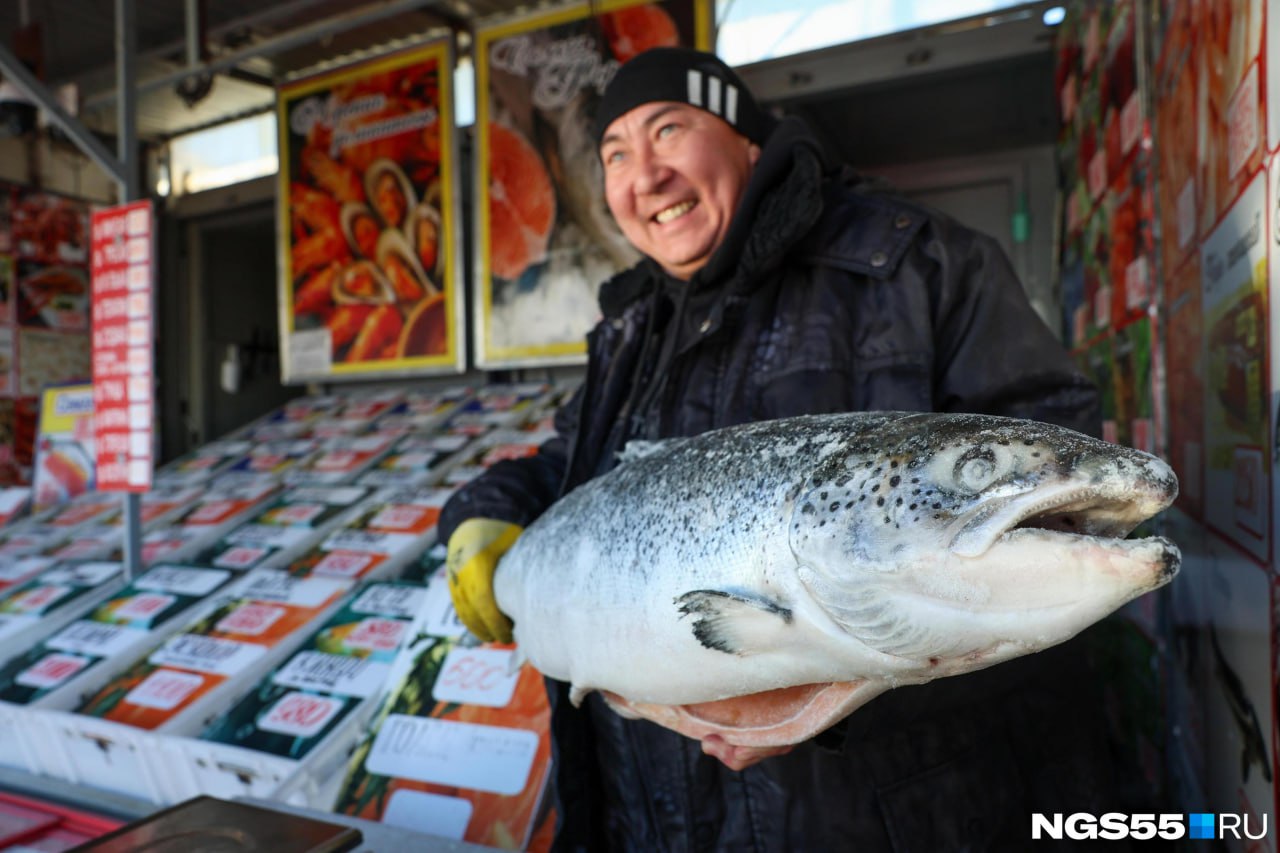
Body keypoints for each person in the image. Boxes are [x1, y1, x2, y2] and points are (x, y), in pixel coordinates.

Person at [441, 47, 1131, 852]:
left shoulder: (914, 263)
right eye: (616, 154)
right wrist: (482, 515)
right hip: (647, 822)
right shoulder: (629, 330)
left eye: (669, 130)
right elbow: (571, 472)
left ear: (748, 142)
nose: (646, 176)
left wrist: (842, 688)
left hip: (867, 821)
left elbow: (1069, 525)